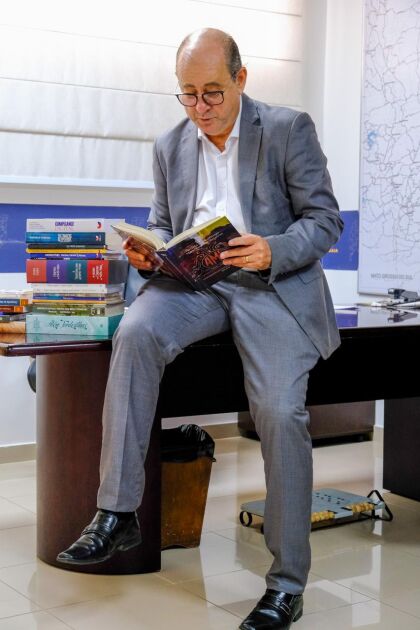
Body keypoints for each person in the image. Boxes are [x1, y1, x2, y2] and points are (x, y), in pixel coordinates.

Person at [57, 28, 343, 630]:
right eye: (187, 94)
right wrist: (149, 252)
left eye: (212, 92)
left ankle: (286, 585)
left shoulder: (288, 128)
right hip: (195, 284)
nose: (200, 108)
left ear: (241, 79)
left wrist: (272, 249)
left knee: (279, 412)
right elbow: (164, 223)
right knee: (134, 333)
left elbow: (324, 221)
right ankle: (117, 512)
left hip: (268, 286)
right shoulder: (170, 144)